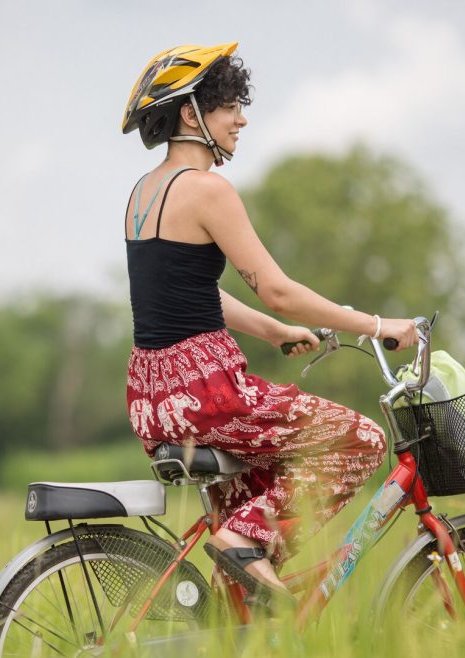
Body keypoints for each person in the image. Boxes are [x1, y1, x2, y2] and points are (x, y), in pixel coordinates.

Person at [120, 42, 419, 603]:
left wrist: (276, 333)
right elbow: (279, 289)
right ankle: (244, 537)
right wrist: (377, 324)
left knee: (251, 531)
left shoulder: (143, 192)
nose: (242, 117)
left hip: (154, 398)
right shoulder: (209, 191)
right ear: (192, 114)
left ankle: (235, 608)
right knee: (361, 441)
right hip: (209, 394)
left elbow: (192, 293)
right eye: (230, 105)